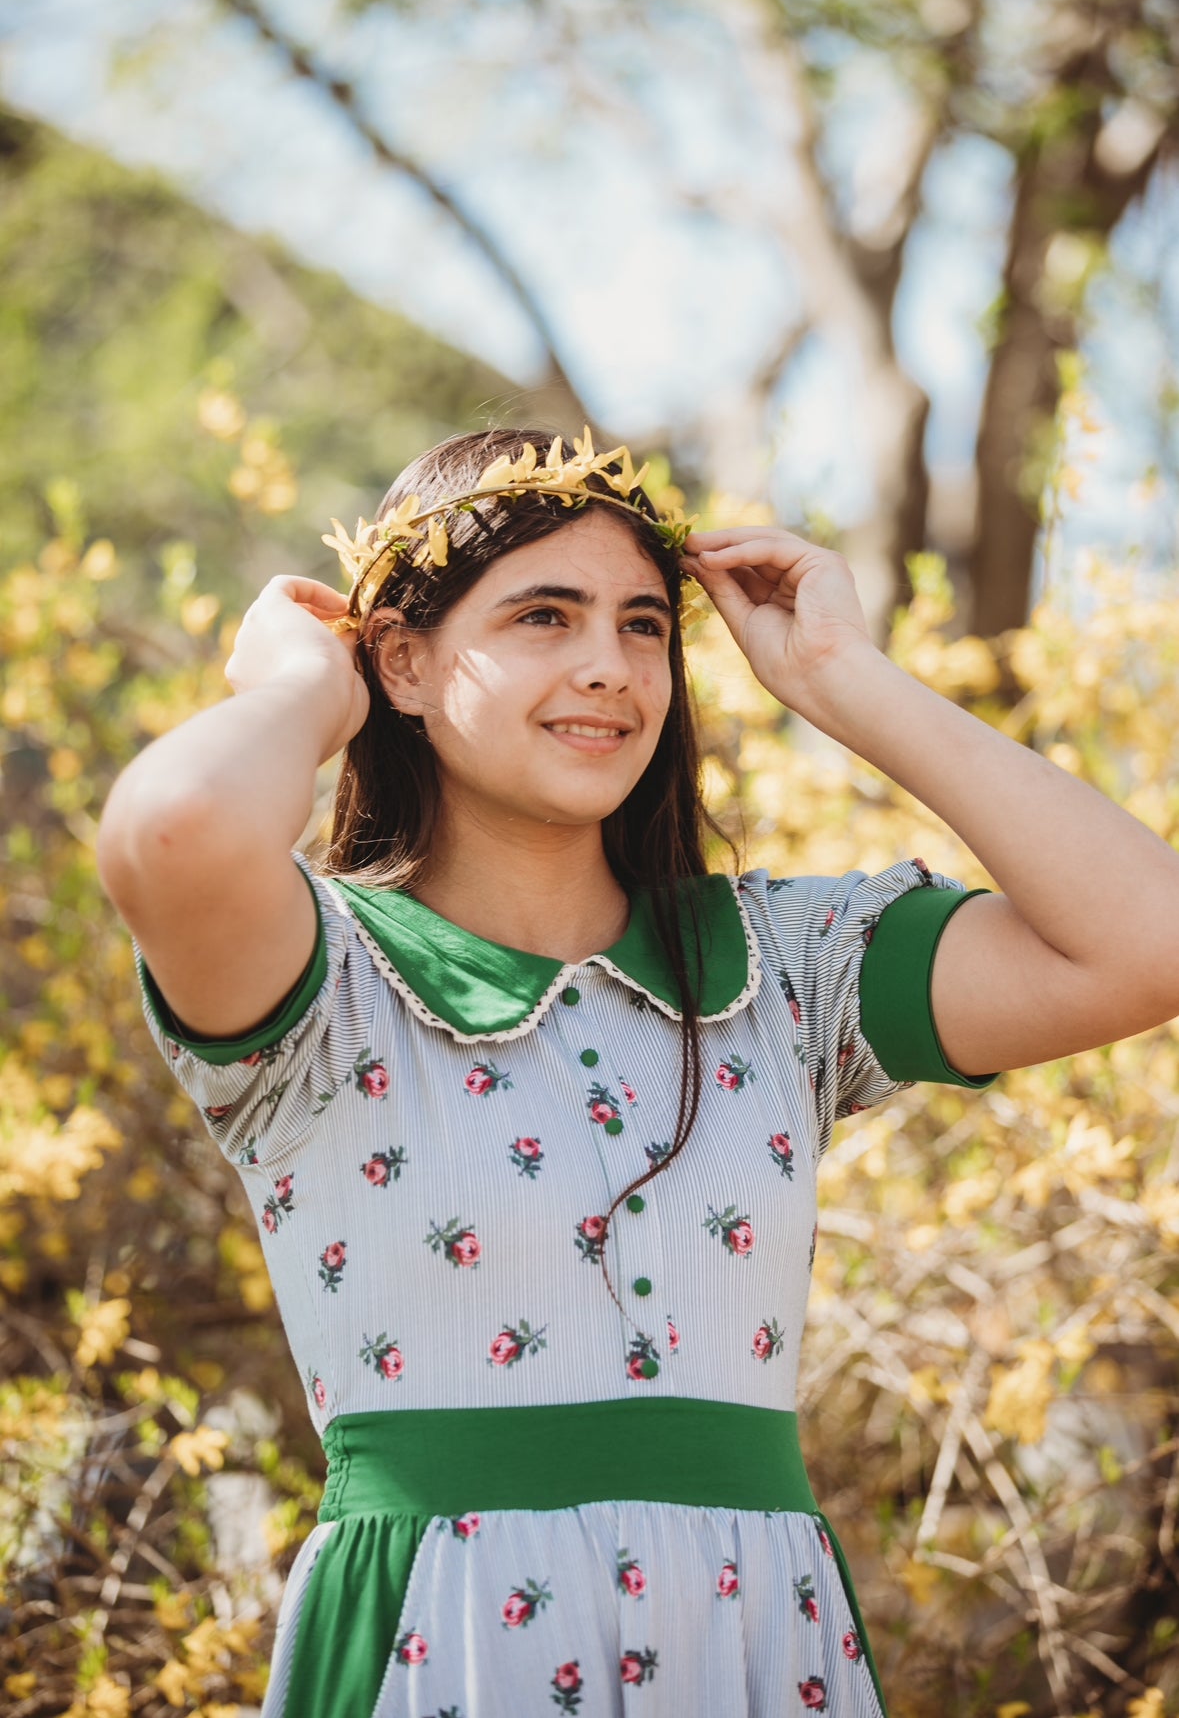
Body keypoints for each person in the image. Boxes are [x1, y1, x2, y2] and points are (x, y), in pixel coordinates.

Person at [96, 427, 1179, 1718]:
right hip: (443, 1650)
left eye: (645, 625)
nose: (609, 668)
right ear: (403, 659)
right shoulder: (320, 980)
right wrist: (304, 693)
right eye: (545, 617)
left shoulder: (784, 963)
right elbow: (173, 828)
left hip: (757, 1641)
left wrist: (843, 678)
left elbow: (1146, 942)